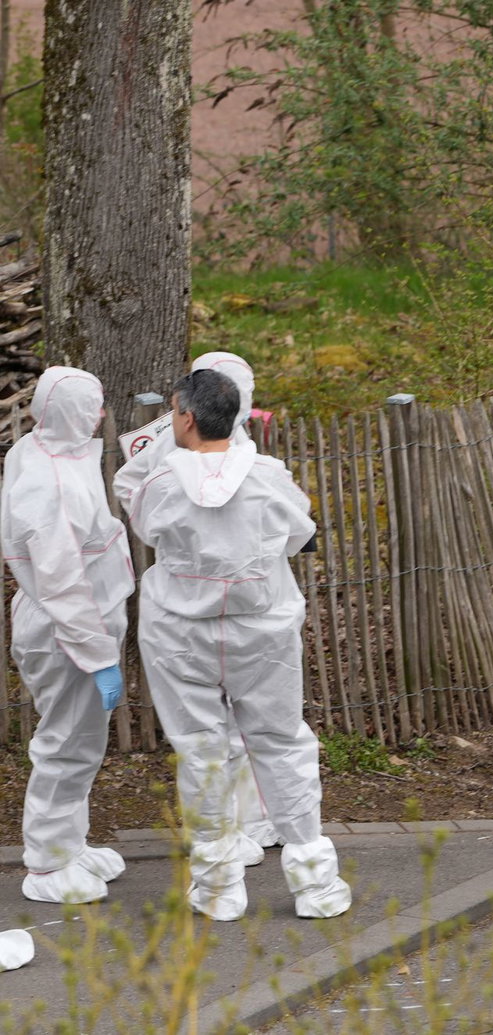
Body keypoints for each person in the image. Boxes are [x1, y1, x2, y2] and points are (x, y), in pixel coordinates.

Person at [129, 368, 351, 921]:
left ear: (182, 415)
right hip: (262, 628)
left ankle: (218, 887)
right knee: (281, 743)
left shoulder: (162, 481)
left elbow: (146, 529)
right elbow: (301, 532)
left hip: (181, 633)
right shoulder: (269, 475)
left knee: (203, 753)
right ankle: (316, 883)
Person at [114, 352, 280, 863]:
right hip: (193, 603)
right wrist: (181, 538)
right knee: (208, 728)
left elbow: (291, 528)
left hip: (253, 600)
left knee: (255, 722)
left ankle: (254, 818)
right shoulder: (172, 437)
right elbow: (131, 487)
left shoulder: (252, 447)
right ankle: (217, 833)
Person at [1, 367, 136, 904]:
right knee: (65, 743)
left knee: (82, 741)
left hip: (80, 621)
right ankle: (47, 864)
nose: (101, 414)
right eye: (94, 406)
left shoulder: (42, 446)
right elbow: (62, 586)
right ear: (73, 415)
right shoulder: (49, 489)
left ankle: (68, 843)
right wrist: (97, 654)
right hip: (69, 629)